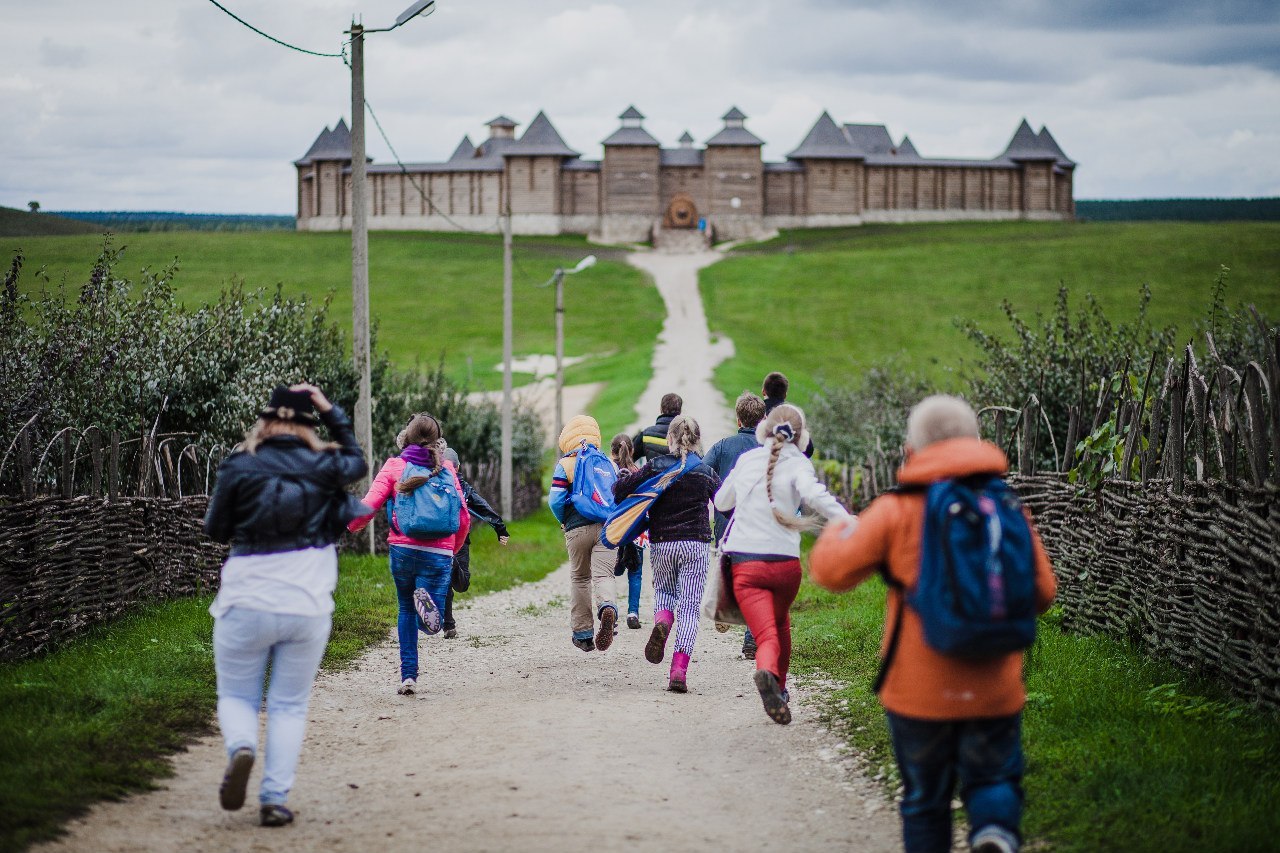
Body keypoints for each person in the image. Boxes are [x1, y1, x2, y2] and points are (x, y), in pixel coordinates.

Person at [809, 395, 1057, 853]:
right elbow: (1043, 594)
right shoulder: (1004, 504)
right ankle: (995, 833)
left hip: (917, 692)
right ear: (976, 443)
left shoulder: (896, 509)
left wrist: (835, 533)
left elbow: (831, 574)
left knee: (926, 800)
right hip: (995, 687)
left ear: (909, 451)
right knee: (994, 777)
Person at [203, 383, 368, 828]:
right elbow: (359, 462)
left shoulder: (240, 465)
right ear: (308, 423)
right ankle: (274, 799)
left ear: (264, 420)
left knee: (238, 694)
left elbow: (215, 529)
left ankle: (241, 745)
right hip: (307, 597)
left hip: (247, 594)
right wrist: (330, 410)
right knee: (289, 705)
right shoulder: (325, 464)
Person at [713, 403, 851, 724]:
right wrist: (849, 521)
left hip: (746, 567)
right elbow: (814, 496)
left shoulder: (747, 460)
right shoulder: (799, 464)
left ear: (764, 429)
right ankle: (781, 690)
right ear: (801, 437)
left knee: (766, 636)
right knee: (781, 623)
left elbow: (721, 502)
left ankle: (766, 672)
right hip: (786, 567)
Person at [349, 413, 470, 695]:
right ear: (438, 439)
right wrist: (453, 549)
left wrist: (350, 525)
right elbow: (463, 517)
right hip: (438, 552)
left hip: (402, 550)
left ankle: (408, 676)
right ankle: (426, 615)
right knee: (432, 622)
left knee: (404, 607)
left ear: (407, 437)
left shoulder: (394, 466)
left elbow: (369, 503)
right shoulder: (447, 469)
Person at [614, 415, 720, 692]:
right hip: (696, 545)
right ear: (697, 440)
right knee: (690, 609)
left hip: (663, 543)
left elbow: (619, 492)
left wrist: (626, 476)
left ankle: (663, 621)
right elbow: (723, 502)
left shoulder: (656, 466)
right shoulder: (705, 471)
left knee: (664, 593)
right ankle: (678, 672)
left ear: (669, 439)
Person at [549, 415, 620, 652]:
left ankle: (583, 634)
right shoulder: (609, 464)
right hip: (607, 528)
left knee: (580, 578)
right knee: (604, 576)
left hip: (577, 527)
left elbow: (555, 500)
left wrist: (564, 520)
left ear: (567, 438)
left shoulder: (565, 465)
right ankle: (607, 607)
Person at [440, 443, 509, 639]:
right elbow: (483, 508)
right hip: (459, 541)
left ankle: (447, 624)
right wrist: (501, 529)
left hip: (442, 542)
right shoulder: (463, 487)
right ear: (458, 467)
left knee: (450, 582)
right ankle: (449, 625)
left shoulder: (433, 484)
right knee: (461, 584)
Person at [703, 391, 766, 544]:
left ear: (738, 421)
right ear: (764, 420)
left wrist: (715, 496)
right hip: (762, 528)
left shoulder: (722, 447)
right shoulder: (771, 450)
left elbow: (700, 473)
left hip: (726, 527)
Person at [609, 433, 646, 629]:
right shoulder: (638, 472)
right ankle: (633, 613)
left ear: (611, 451)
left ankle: (610, 610)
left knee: (607, 573)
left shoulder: (608, 471)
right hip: (636, 529)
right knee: (636, 571)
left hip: (613, 528)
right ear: (632, 451)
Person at [631, 392, 682, 463]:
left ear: (661, 409)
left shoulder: (646, 434)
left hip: (655, 474)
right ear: (680, 411)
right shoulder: (689, 434)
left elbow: (629, 457)